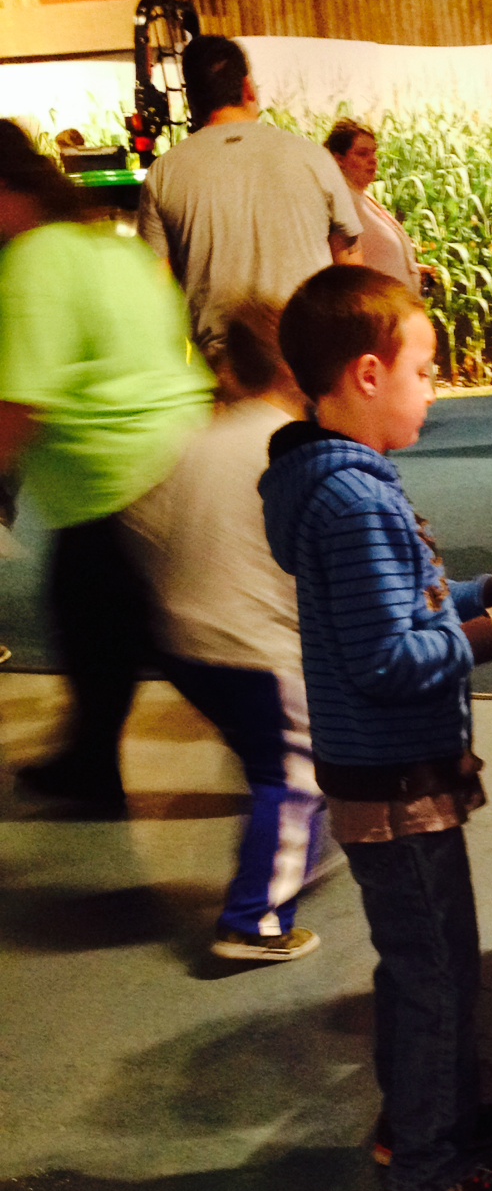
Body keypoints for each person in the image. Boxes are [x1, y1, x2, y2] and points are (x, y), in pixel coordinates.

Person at [261, 265, 492, 1191]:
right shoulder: (354, 500)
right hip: (395, 779)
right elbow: (389, 660)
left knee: (421, 961)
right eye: (425, 369)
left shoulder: (333, 480)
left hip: (385, 771)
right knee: (438, 969)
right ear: (367, 374)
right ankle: (429, 1173)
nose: (433, 388)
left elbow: (404, 606)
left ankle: (418, 1117)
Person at [0, 121, 213, 817]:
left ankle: (291, 754)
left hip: (118, 477)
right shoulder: (107, 244)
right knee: (102, 619)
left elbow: (20, 402)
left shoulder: (34, 261)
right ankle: (89, 759)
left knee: (146, 630)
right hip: (178, 457)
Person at [142, 301, 330, 963]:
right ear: (294, 369)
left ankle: (293, 847)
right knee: (296, 772)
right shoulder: (294, 448)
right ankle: (255, 921)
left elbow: (152, 527)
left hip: (183, 641)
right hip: (253, 647)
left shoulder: (200, 438)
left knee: (269, 755)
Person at [137, 35, 361, 359]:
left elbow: (154, 288)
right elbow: (350, 268)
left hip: (221, 364)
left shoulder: (163, 174)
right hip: (308, 358)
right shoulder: (313, 158)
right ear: (248, 89)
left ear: (192, 100)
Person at [324, 121, 421, 288]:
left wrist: (412, 270)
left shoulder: (363, 197)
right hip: (377, 302)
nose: (373, 160)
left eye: (374, 152)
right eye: (363, 154)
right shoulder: (342, 203)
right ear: (339, 159)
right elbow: (347, 272)